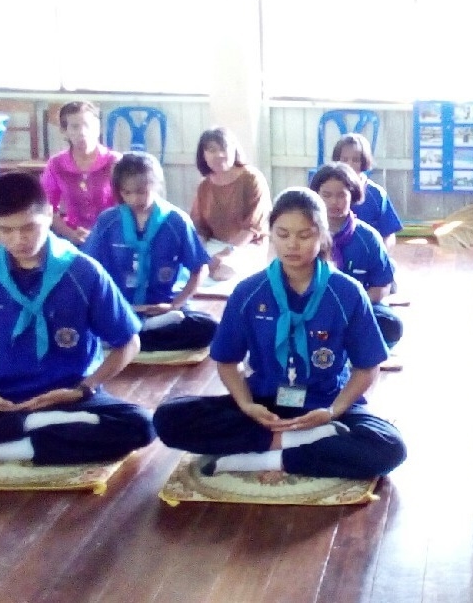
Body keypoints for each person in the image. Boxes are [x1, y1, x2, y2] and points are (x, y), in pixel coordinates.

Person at [153, 188, 406, 479]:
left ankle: (267, 457)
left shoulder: (347, 292)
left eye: (305, 235)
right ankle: (299, 443)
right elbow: (227, 361)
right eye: (283, 234)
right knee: (168, 419)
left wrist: (334, 411)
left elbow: (367, 367)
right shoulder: (249, 291)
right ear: (271, 234)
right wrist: (247, 405)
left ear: (323, 236)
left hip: (325, 404)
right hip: (265, 404)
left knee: (390, 446)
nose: (292, 245)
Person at [0, 172, 154, 468]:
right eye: (5, 230)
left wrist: (85, 388)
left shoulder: (84, 272)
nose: (18, 240)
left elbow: (129, 342)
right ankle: (34, 428)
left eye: (28, 227)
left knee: (140, 425)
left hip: (69, 398)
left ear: (49, 214)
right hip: (0, 400)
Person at [83, 152, 217, 352]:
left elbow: (200, 268)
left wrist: (174, 305)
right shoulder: (108, 221)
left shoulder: (176, 221)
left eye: (141, 192)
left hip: (162, 308)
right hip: (118, 307)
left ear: (156, 185)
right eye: (127, 193)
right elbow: (88, 267)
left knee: (209, 328)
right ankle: (137, 332)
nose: (134, 199)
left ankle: (125, 338)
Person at [309, 162, 403, 347]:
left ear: (352, 195)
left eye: (341, 195)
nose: (334, 202)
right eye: (326, 195)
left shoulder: (368, 237)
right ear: (316, 196)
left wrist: (352, 306)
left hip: (357, 307)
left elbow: (381, 286)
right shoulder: (306, 234)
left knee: (391, 325)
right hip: (313, 307)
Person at [190, 127, 272, 282]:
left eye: (224, 148)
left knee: (224, 272)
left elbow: (252, 228)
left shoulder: (252, 178)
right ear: (203, 155)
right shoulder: (204, 186)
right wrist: (196, 254)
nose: (219, 155)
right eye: (212, 150)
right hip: (214, 245)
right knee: (191, 270)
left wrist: (225, 253)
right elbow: (200, 229)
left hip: (248, 246)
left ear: (234, 150)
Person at [41, 101, 122, 246]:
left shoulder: (114, 161)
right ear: (64, 131)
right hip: (72, 235)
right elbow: (46, 207)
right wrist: (69, 233)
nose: (82, 132)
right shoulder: (56, 164)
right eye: (75, 127)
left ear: (98, 128)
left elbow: (126, 206)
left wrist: (100, 234)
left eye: (88, 125)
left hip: (112, 236)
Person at [333, 133, 404, 249]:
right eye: (344, 160)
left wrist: (380, 253)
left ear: (364, 161)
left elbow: (389, 234)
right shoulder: (326, 191)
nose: (349, 165)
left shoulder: (377, 194)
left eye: (355, 160)